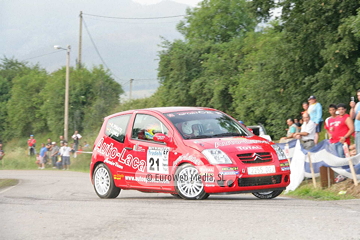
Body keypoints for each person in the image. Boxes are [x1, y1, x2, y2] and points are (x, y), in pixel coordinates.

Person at [350, 89, 360, 155]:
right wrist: (352, 108)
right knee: (358, 149)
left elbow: (358, 118)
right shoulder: (358, 104)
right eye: (358, 95)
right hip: (357, 129)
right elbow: (352, 117)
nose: (359, 97)